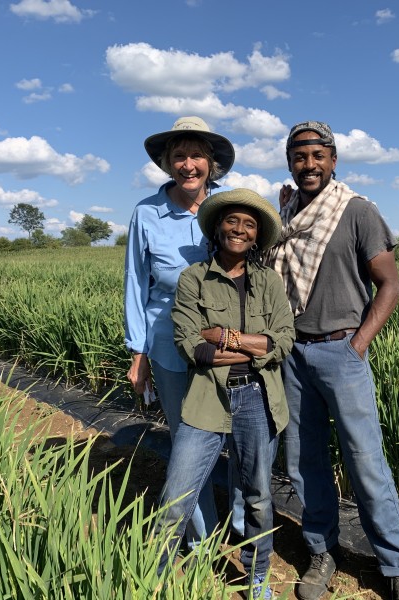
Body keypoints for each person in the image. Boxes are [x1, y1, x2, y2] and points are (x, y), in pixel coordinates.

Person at [267, 121, 399, 600]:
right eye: (299, 156)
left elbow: (390, 284)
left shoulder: (357, 211)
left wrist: (356, 346)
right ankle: (321, 551)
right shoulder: (286, 215)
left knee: (365, 461)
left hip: (341, 351)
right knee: (302, 458)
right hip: (292, 353)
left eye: (318, 155)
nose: (309, 164)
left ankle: (398, 566)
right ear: (290, 162)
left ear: (333, 160)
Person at [156, 189, 295, 599]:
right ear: (217, 228)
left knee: (257, 495)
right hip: (206, 401)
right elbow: (192, 347)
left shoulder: (269, 282)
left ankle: (256, 576)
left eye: (249, 225)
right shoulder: (193, 279)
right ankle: (155, 573)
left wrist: (226, 337)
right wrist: (254, 345)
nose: (239, 229)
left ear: (256, 238)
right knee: (176, 495)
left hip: (257, 398)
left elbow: (283, 341)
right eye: (232, 221)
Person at [124, 116, 236, 549]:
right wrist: (139, 356)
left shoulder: (228, 207)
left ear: (212, 163)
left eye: (197, 156)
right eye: (179, 156)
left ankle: (243, 530)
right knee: (187, 440)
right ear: (168, 164)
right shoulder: (147, 214)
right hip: (168, 346)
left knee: (231, 441)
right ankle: (202, 541)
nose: (188, 164)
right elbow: (137, 284)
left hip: (226, 346)